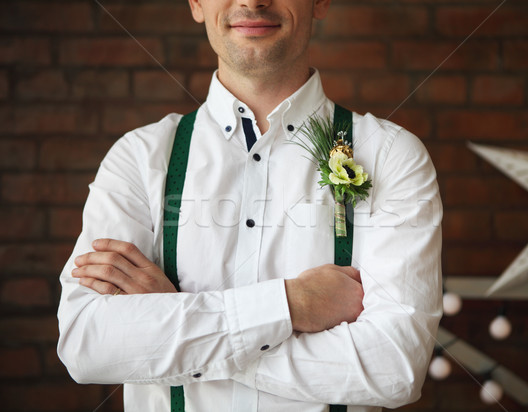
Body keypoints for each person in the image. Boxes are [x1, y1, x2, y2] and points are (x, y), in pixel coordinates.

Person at [57, 0, 443, 411]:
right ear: (195, 4)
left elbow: (394, 368)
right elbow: (88, 343)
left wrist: (174, 325)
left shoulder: (392, 155)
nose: (252, 1)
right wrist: (293, 304)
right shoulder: (138, 158)